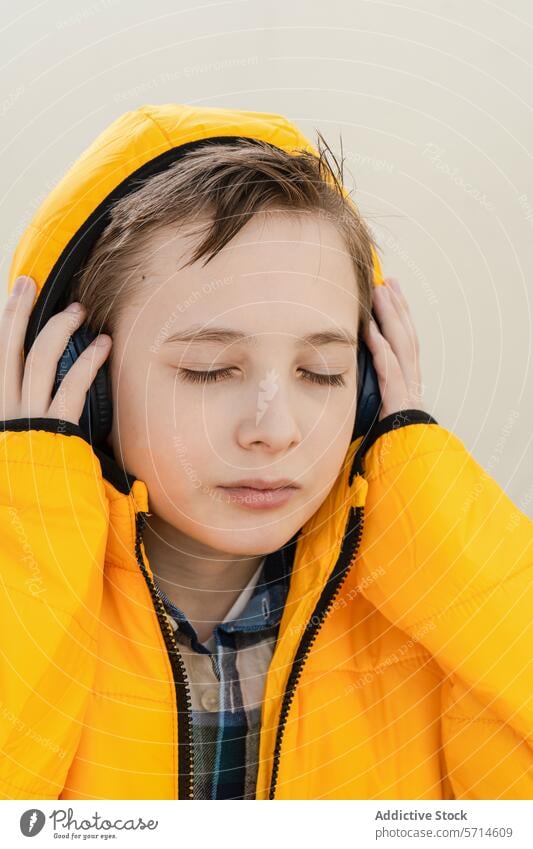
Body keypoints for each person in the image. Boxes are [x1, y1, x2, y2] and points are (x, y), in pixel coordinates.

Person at [0, 104, 531, 801]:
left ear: (371, 388)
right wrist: (32, 519)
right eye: (210, 368)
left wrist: (424, 492)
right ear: (80, 378)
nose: (276, 428)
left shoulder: (436, 627)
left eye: (323, 373)